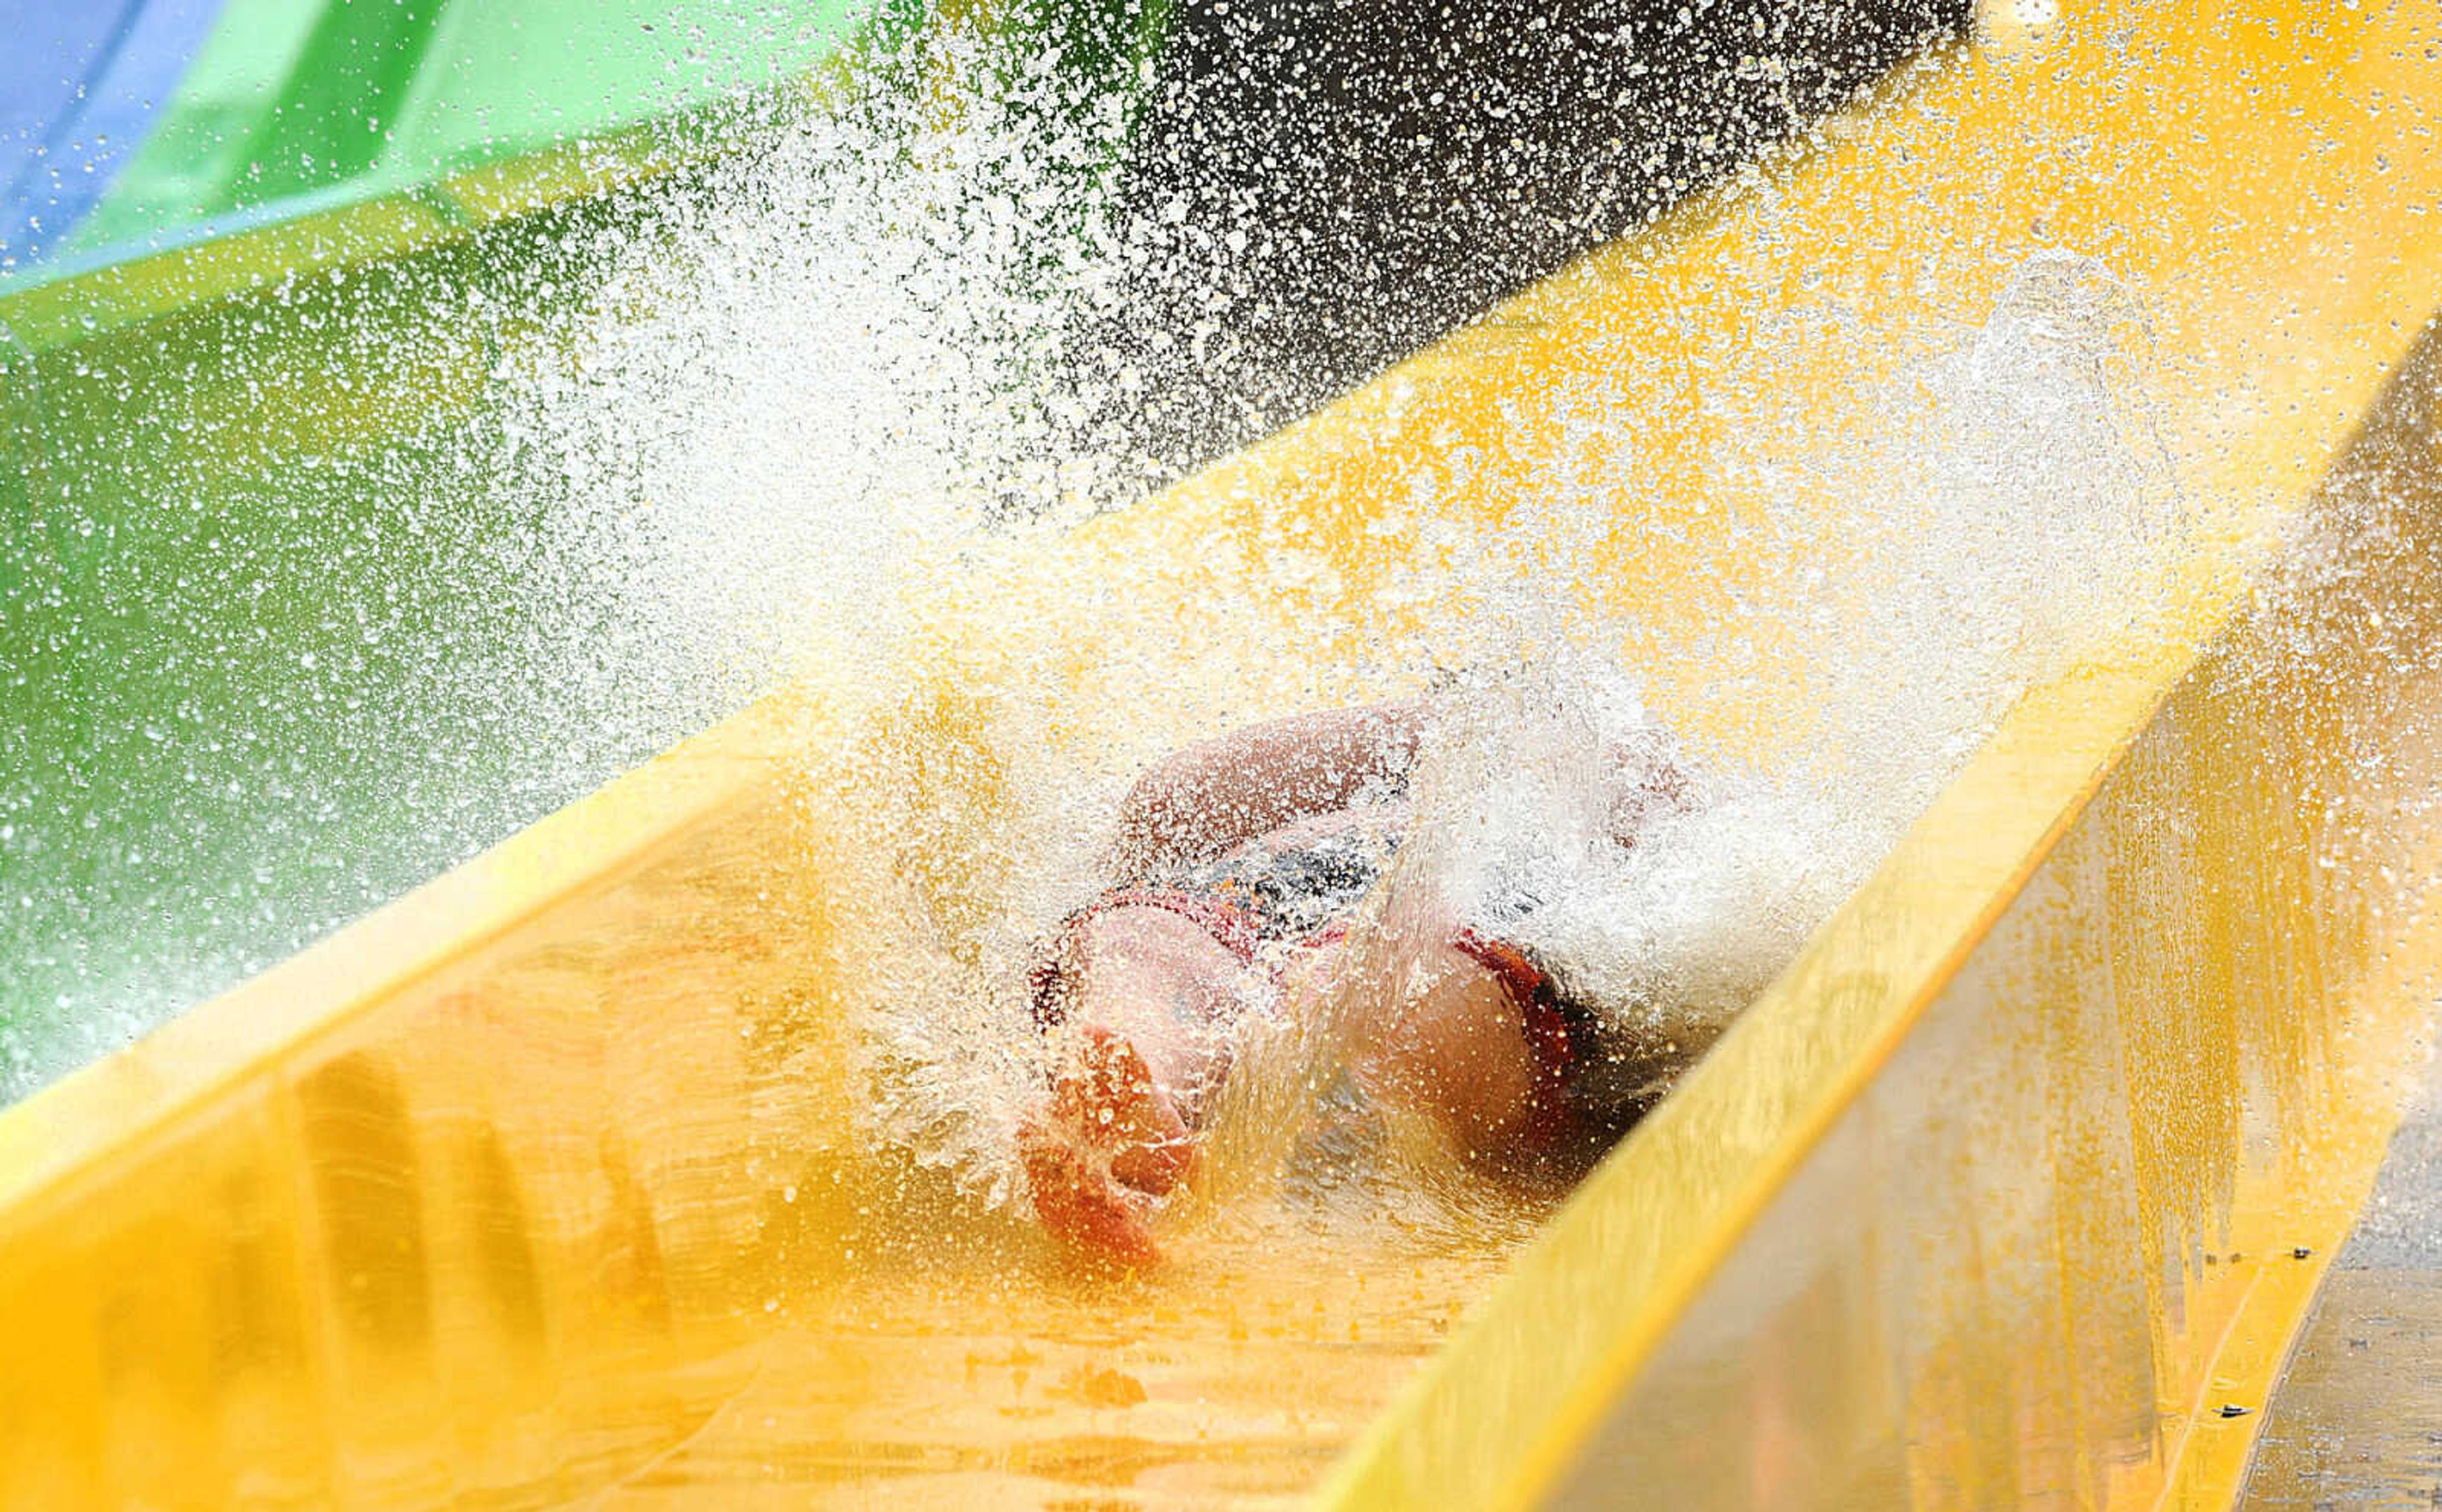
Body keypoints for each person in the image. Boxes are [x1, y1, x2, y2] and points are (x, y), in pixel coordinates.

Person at [1018, 696, 1702, 1265]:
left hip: (1474, 915)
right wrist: (1485, 722)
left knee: (1374, 980)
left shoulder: (1569, 797)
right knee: (1146, 936)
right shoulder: (1488, 752)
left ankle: (1280, 1124)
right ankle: (1133, 1104)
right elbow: (1163, 809)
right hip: (1267, 887)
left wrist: (1512, 728)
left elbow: (1666, 812)